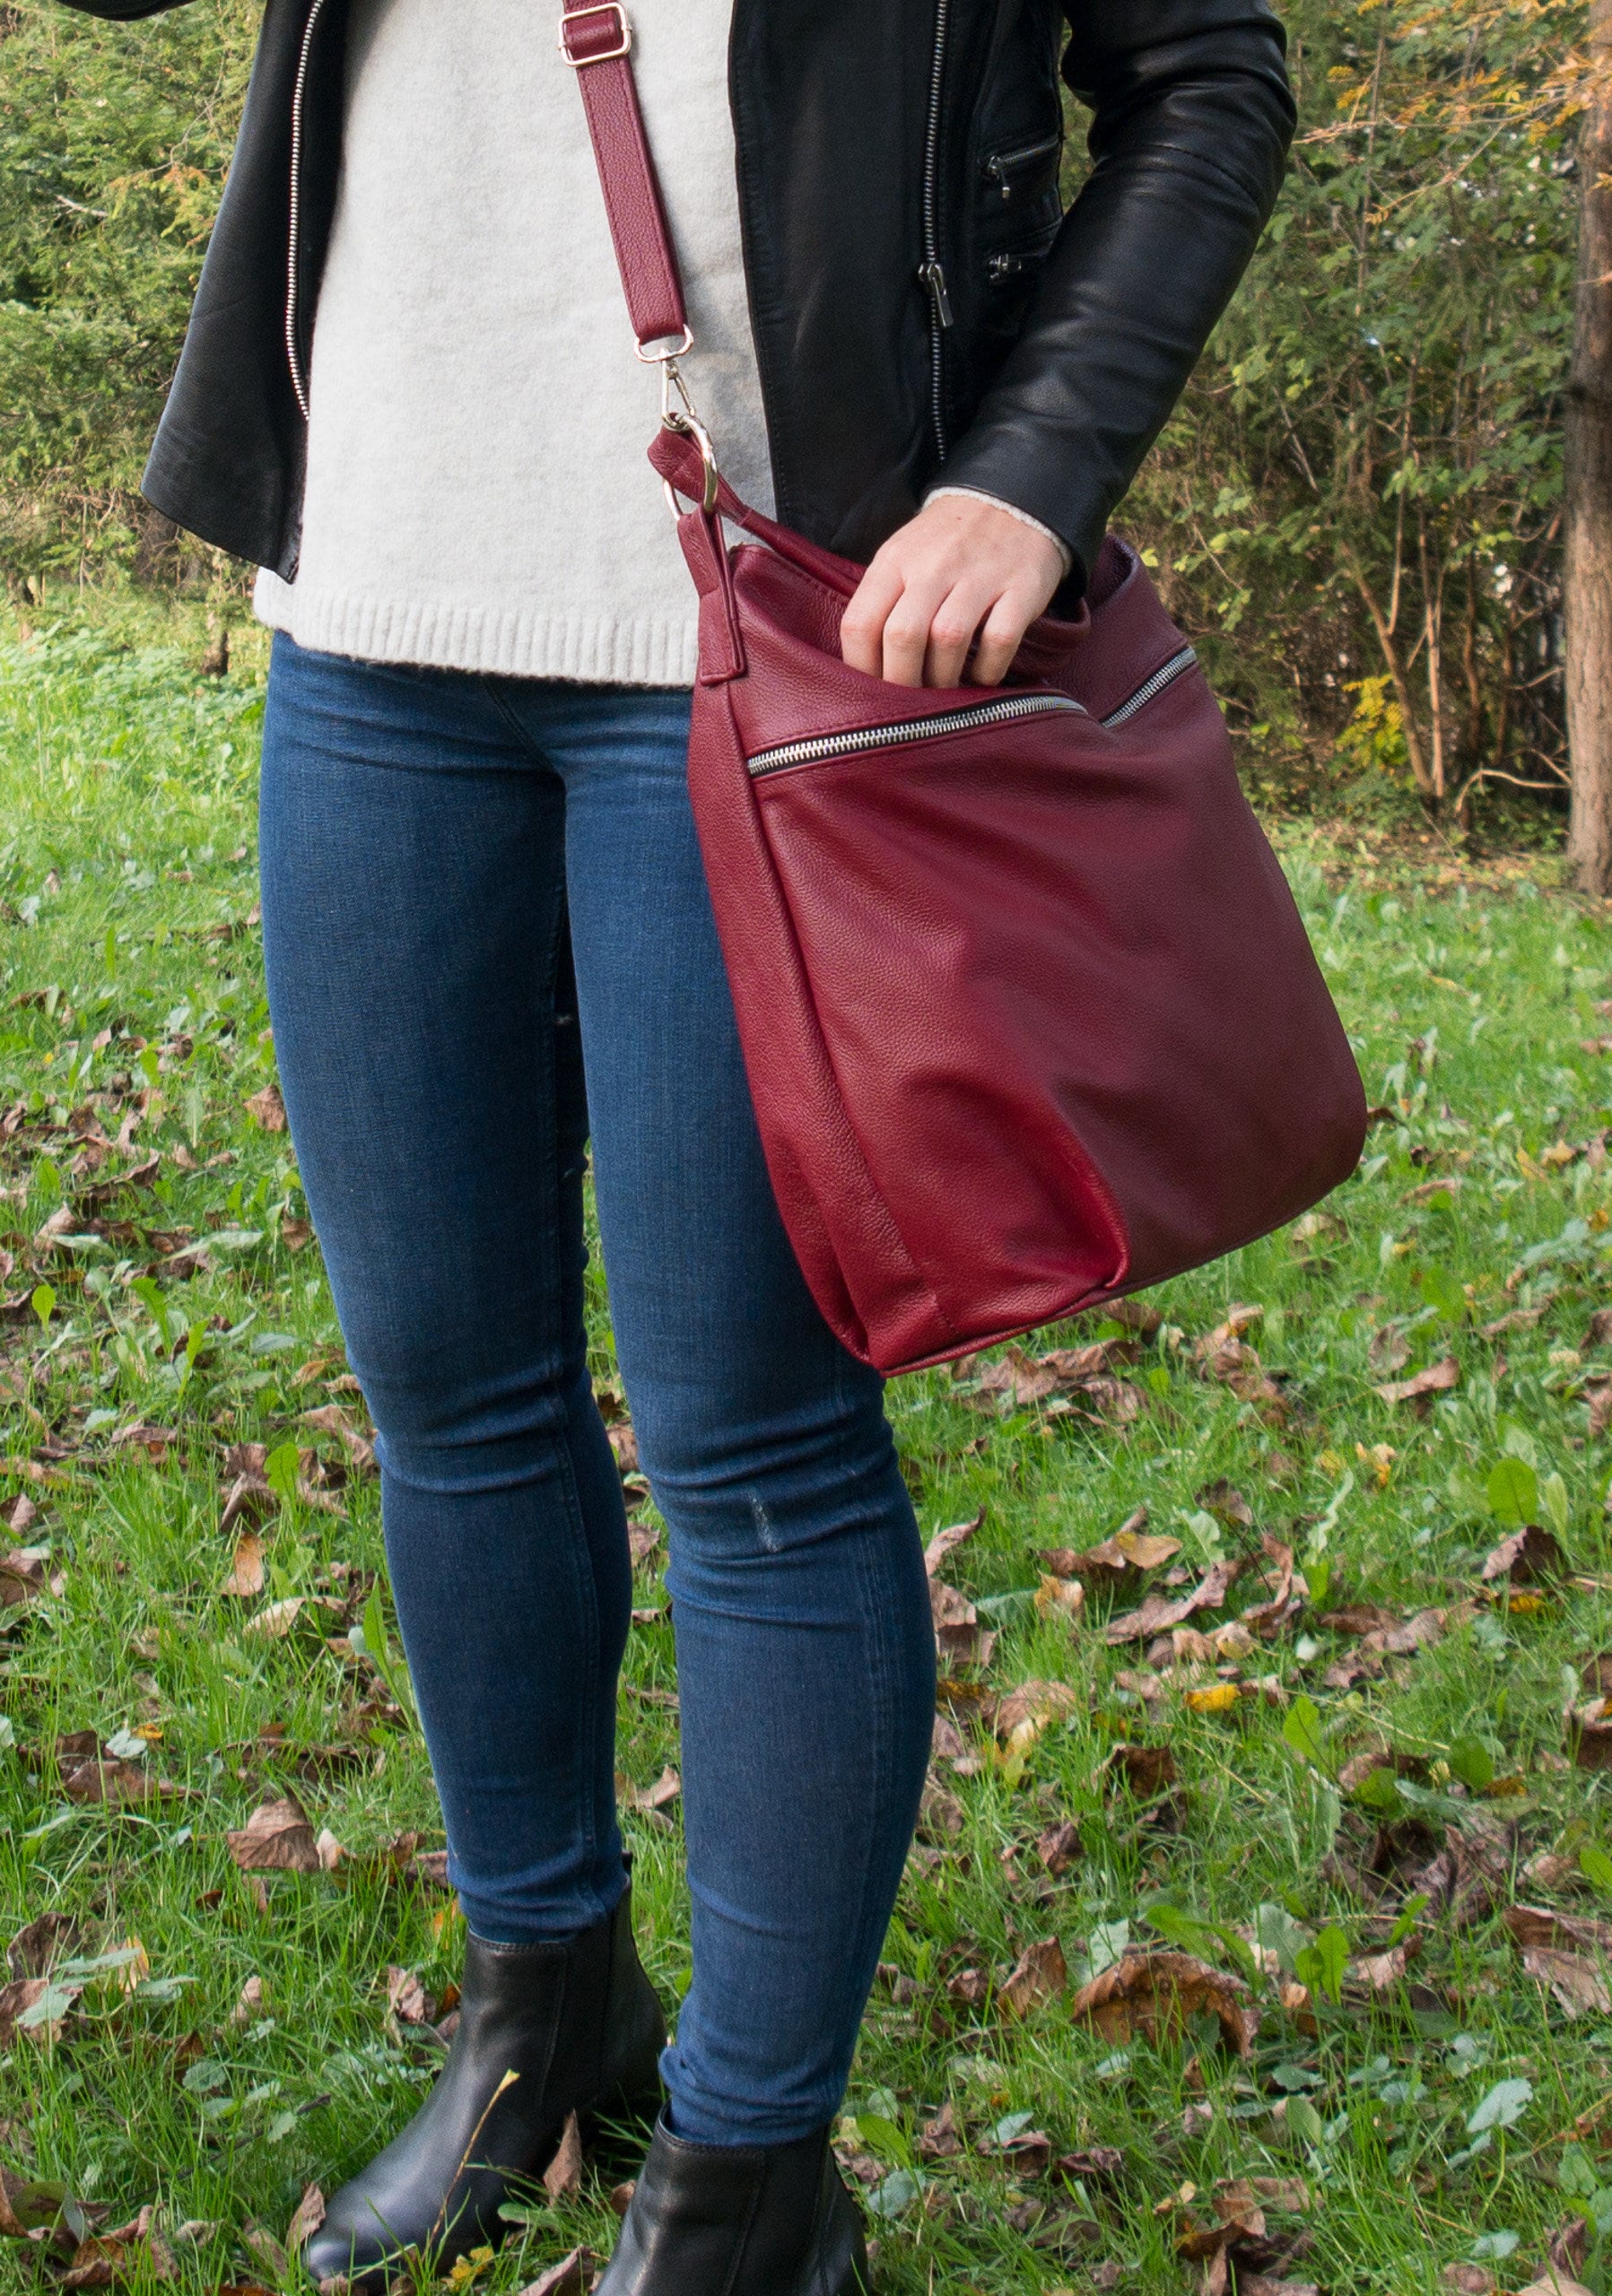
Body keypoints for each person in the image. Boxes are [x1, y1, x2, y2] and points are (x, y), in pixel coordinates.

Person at [57, 0, 1294, 2284]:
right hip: (376, 607)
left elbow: (1206, 76)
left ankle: (747, 2173)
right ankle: (547, 2006)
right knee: (448, 1392)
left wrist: (1029, 465)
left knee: (754, 1439)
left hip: (773, 639)